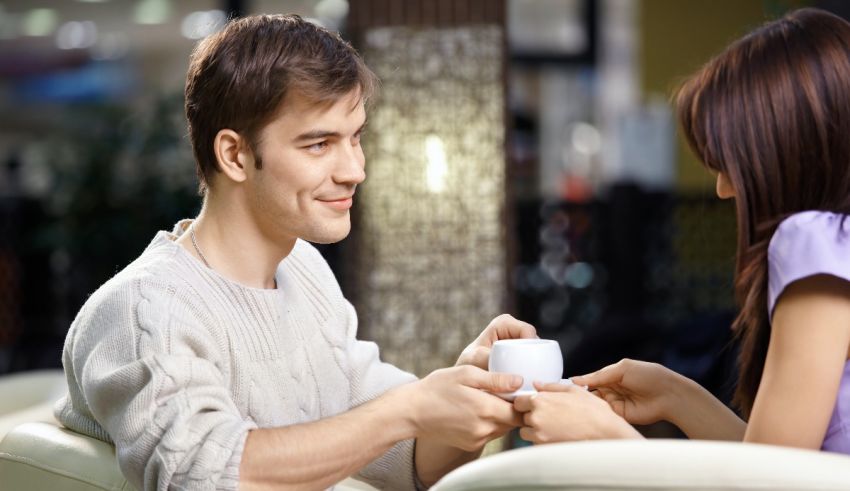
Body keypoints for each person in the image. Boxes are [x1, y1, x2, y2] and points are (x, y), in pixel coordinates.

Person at [54, 14, 536, 491]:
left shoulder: (302, 268)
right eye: (319, 144)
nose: (354, 171)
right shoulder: (144, 311)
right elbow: (205, 477)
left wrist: (469, 394)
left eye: (356, 137)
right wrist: (407, 410)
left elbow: (405, 461)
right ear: (234, 155)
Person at [513, 7, 850, 454]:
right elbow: (783, 462)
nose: (723, 188)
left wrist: (609, 439)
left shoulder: (811, 238)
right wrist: (675, 394)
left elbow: (772, 483)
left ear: (788, 151)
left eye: (730, 164)